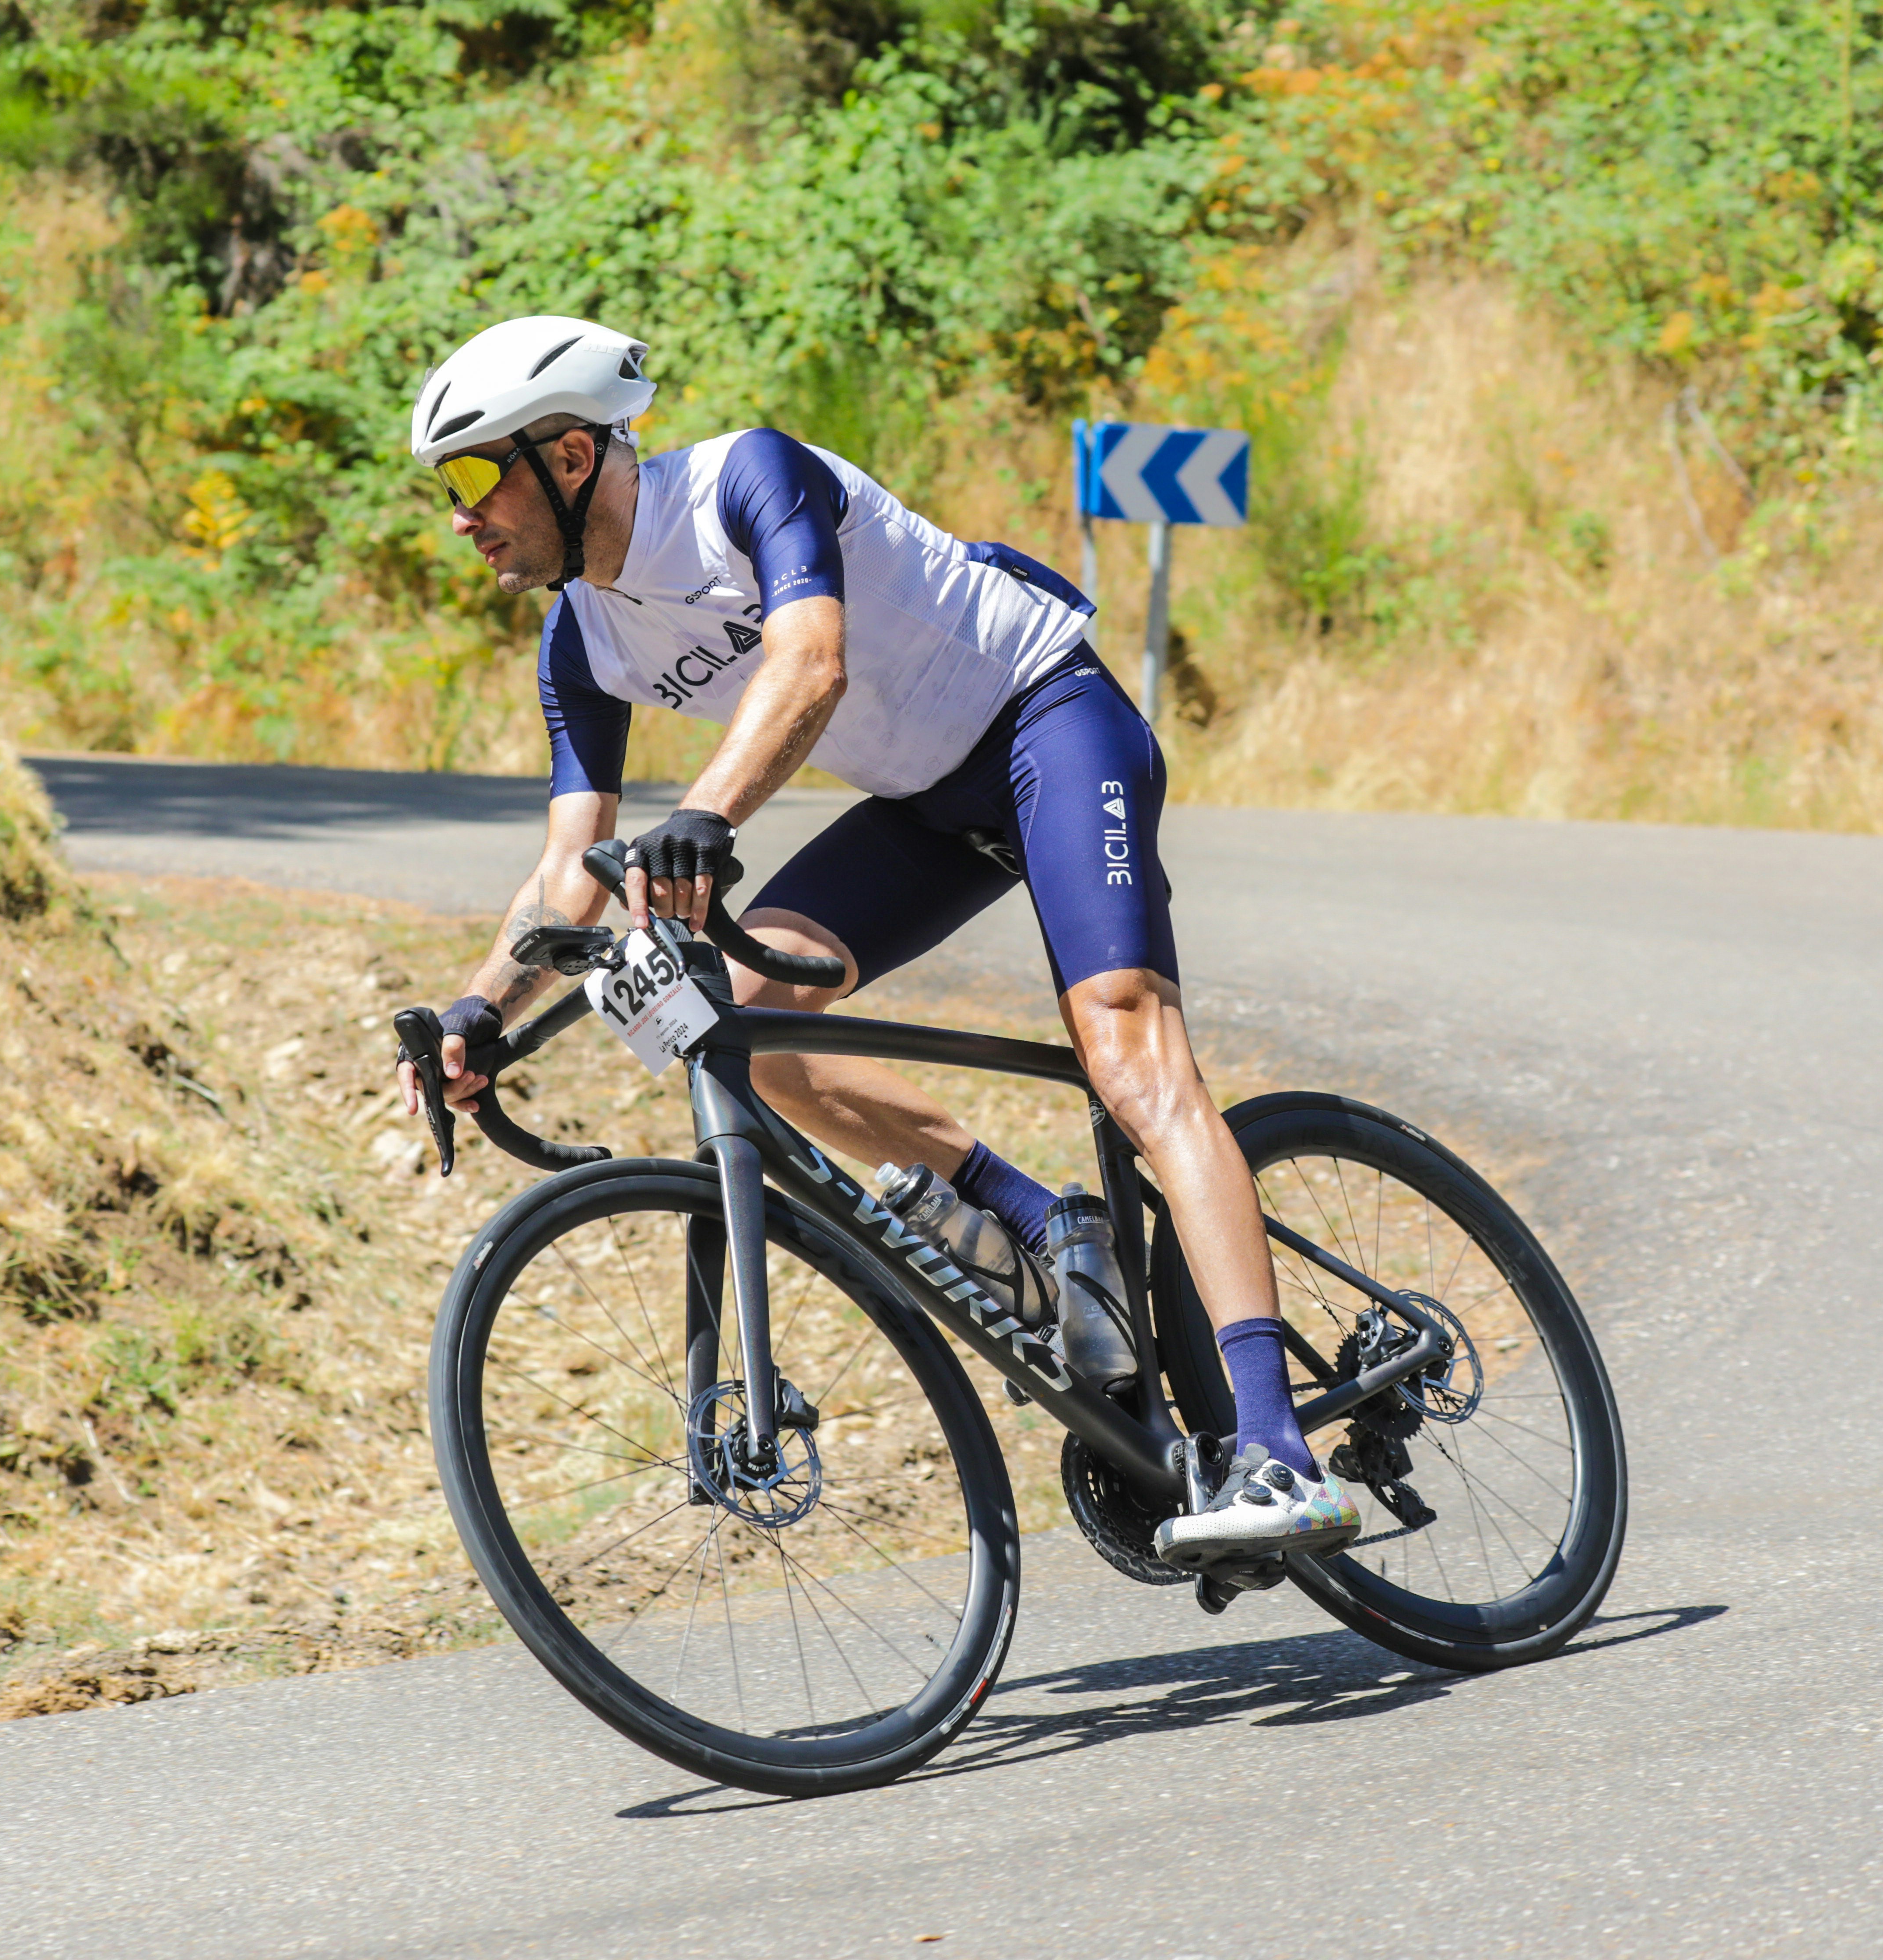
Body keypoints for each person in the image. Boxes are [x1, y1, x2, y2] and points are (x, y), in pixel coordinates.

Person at [392, 314, 1357, 1562]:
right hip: (925, 806)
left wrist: (703, 818)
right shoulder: (582, 633)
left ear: (571, 458)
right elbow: (563, 868)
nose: (462, 517)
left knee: (1126, 1050)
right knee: (728, 1019)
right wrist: (481, 1014)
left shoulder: (748, 480)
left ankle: (1281, 1455)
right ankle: (1036, 1224)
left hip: (1045, 721)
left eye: (476, 478)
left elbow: (812, 667)